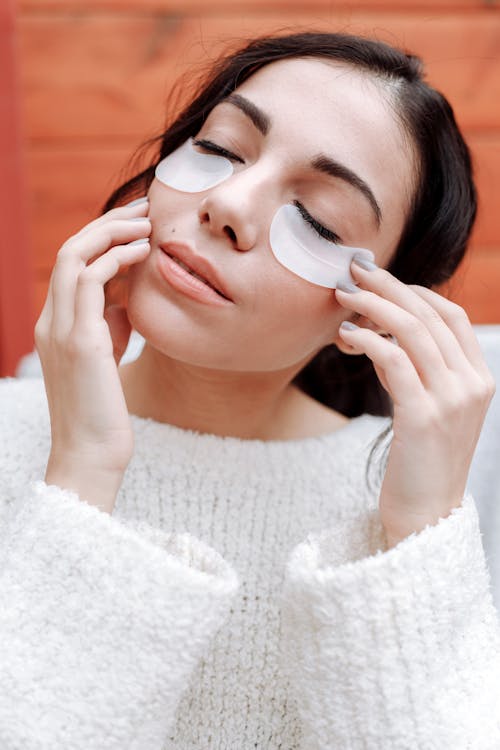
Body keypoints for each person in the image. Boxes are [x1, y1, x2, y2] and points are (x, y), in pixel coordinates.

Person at [0, 30, 499, 750]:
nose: (229, 203)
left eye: (320, 221)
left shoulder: (390, 521)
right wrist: (82, 471)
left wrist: (417, 532)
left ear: (370, 309)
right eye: (221, 147)